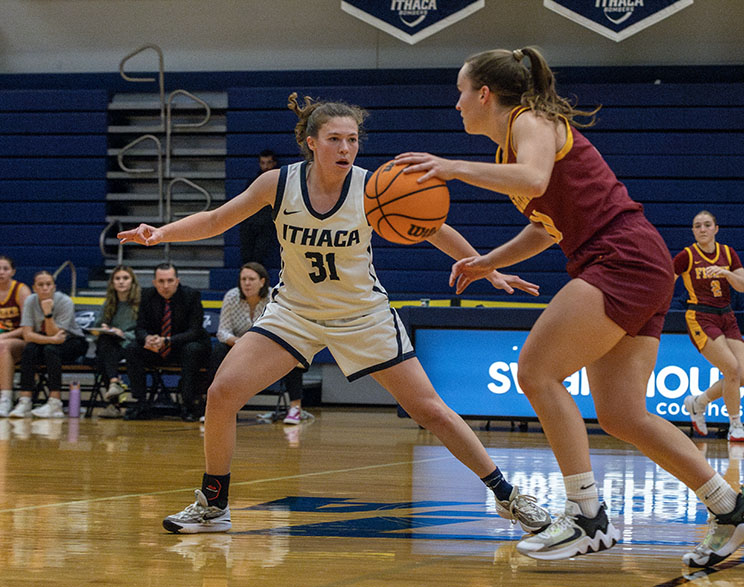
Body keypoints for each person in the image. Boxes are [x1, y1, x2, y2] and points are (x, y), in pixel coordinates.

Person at [394, 46, 744, 566]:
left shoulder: (531, 122)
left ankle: (587, 516)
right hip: (635, 260)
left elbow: (534, 181)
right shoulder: (512, 148)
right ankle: (731, 508)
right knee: (621, 413)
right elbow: (546, 228)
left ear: (484, 94)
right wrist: (486, 262)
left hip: (621, 257)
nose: (456, 104)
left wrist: (451, 167)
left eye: (460, 92)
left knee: (536, 371)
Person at [118, 92, 551, 536]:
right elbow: (215, 221)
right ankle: (213, 505)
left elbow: (434, 229)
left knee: (431, 410)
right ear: (311, 142)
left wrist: (487, 269)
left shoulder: (373, 186)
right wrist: (161, 233)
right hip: (295, 313)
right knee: (222, 393)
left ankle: (508, 496)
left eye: (352, 140)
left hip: (362, 314)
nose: (345, 148)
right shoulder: (277, 184)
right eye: (334, 139)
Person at [672, 211, 744, 443]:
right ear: (693, 231)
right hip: (701, 316)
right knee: (731, 369)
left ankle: (699, 402)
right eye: (697, 226)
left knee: (742, 376)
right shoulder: (686, 255)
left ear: (716, 228)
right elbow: (667, 279)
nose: (703, 229)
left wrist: (726, 273)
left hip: (726, 315)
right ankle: (736, 425)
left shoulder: (728, 253)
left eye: (707, 225)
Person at [212, 261, 311, 424]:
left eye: (251, 279)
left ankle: (295, 407)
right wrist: (240, 344)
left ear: (262, 281)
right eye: (243, 279)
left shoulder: (274, 298)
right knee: (218, 351)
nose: (246, 283)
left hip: (268, 347)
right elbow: (222, 331)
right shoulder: (231, 296)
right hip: (238, 347)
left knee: (292, 351)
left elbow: (282, 329)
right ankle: (218, 407)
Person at [123, 263, 210, 422]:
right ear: (154, 282)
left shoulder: (191, 296)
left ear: (177, 281)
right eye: (161, 281)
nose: (165, 286)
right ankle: (140, 402)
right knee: (132, 349)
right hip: (157, 347)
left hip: (183, 346)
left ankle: (188, 403)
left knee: (192, 350)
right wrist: (147, 339)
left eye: (170, 281)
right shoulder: (146, 295)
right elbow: (140, 327)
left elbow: (195, 331)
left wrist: (168, 341)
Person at [8, 271, 88, 418]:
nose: (45, 288)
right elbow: (27, 335)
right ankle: (25, 401)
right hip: (48, 340)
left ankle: (54, 402)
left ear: (54, 287)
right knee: (30, 349)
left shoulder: (65, 301)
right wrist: (51, 340)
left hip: (73, 341)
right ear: (34, 288)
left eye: (48, 284)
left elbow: (58, 335)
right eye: (41, 285)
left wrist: (48, 314)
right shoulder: (30, 301)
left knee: (51, 350)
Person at [92, 265, 141, 418]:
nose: (121, 282)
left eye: (125, 278)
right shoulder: (109, 303)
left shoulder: (140, 303)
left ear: (132, 282)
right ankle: (115, 383)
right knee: (104, 344)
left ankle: (114, 403)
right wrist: (104, 327)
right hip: (112, 344)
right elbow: (97, 325)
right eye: (117, 278)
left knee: (103, 356)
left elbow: (143, 329)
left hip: (131, 344)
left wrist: (124, 333)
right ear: (112, 283)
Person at [0, 256, 32, 417]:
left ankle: (5, 398)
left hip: (21, 340)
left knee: (3, 347)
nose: (1, 272)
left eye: (5, 269)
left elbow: (28, 326)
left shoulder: (21, 290)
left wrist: (4, 337)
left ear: (13, 271)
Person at [239, 150, 279, 268]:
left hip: (268, 224)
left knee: (259, 257)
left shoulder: (281, 181)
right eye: (263, 163)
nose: (266, 166)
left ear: (274, 163)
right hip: (250, 224)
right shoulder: (253, 182)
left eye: (269, 162)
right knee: (246, 257)